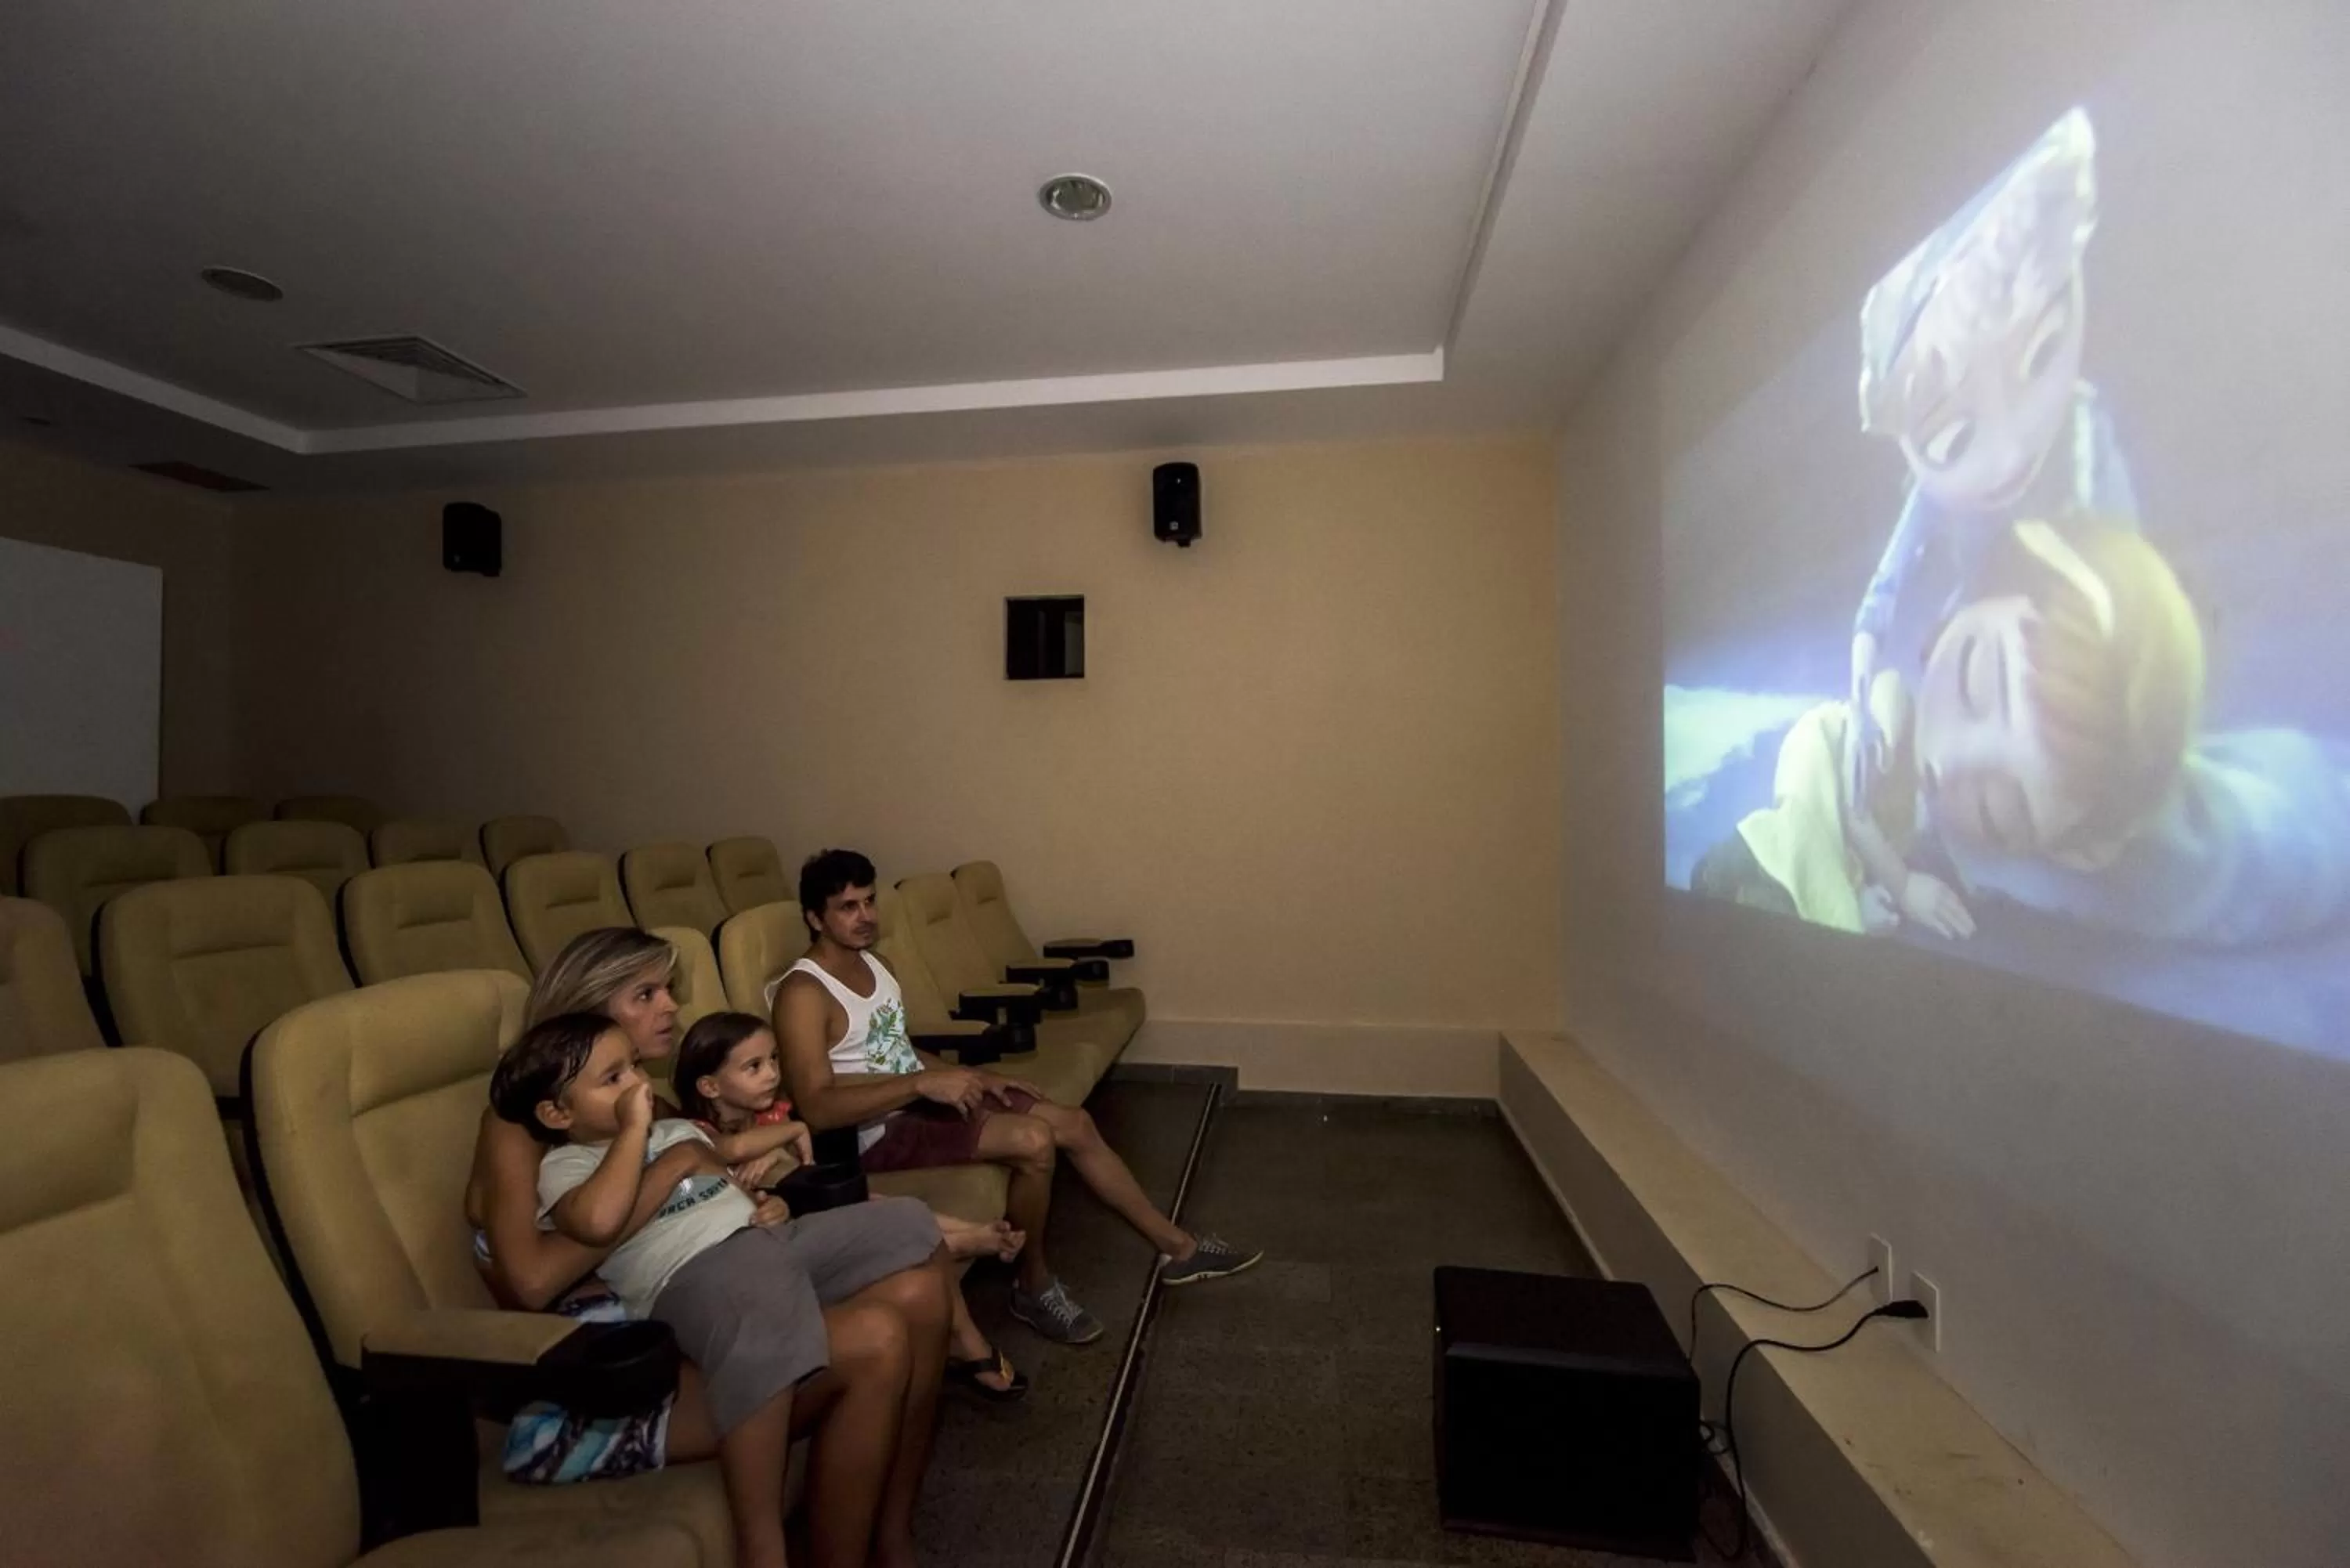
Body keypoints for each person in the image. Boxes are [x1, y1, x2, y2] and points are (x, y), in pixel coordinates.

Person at [493, 1013, 946, 1568]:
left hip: (767, 1242)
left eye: (634, 1067)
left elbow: (731, 1176)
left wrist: (767, 1202)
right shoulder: (568, 1166)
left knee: (911, 1227)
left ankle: (893, 1527)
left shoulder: (678, 1132)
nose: (637, 1085)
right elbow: (598, 1221)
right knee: (788, 1306)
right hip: (692, 1273)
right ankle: (763, 1545)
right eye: (613, 1079)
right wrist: (636, 1134)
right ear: (557, 1114)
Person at [776, 850, 1260, 1347]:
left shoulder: (877, 965)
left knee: (1073, 1123)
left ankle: (1178, 1248)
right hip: (870, 1135)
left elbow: (895, 1051)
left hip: (915, 1103)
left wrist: (972, 1076)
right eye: (848, 907)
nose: (866, 916)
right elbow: (817, 1107)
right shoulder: (803, 993)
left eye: (870, 902)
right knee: (1033, 1140)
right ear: (815, 918)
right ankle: (1033, 1285)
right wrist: (920, 1086)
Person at [519, 927, 1029, 1394]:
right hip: (683, 1290)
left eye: (668, 989)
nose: (672, 1006)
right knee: (890, 1307)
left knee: (915, 1275)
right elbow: (536, 1280)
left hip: (745, 1236)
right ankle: (965, 1307)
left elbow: (708, 1175)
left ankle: (962, 1334)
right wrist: (686, 1163)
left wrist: (748, 1194)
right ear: (589, 1009)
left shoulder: (649, 1099)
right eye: (647, 994)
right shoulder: (528, 1122)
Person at [678, 1009, 1030, 1400]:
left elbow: (795, 1155)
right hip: (775, 1229)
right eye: (754, 1067)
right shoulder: (697, 1133)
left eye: (774, 1059)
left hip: (803, 1204)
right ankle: (962, 1243)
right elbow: (732, 1154)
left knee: (871, 1200)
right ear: (709, 1086)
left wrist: (778, 1145)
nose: (772, 1074)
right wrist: (789, 1135)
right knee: (866, 1208)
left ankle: (966, 1233)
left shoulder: (769, 1112)